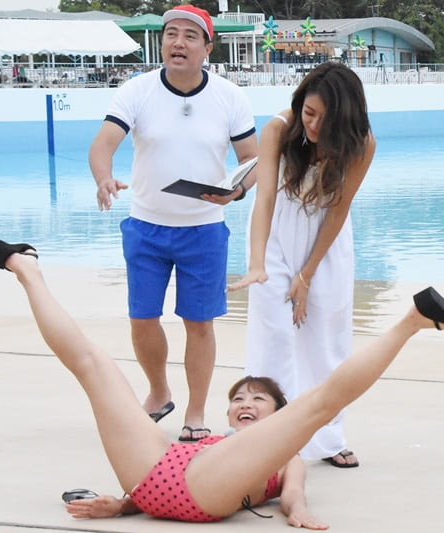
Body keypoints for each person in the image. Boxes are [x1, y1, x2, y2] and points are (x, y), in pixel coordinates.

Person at [0, 239, 444, 527]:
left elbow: (294, 492)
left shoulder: (285, 455)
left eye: (259, 398)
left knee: (320, 404)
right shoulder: (217, 442)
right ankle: (26, 269)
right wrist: (124, 506)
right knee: (93, 364)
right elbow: (168, 471)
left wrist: (296, 512)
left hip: (202, 492)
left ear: (279, 416)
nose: (246, 403)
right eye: (239, 398)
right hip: (153, 474)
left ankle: (412, 320)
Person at [88, 5, 258, 442]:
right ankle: (159, 391)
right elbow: (103, 145)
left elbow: (252, 160)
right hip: (146, 226)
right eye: (170, 34)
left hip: (204, 229)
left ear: (207, 47)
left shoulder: (229, 97)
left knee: (199, 323)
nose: (177, 43)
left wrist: (237, 191)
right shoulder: (136, 90)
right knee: (142, 318)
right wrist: (104, 177)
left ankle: (195, 412)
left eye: (189, 36)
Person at [229, 62, 375, 467]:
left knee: (325, 339)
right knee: (273, 335)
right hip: (277, 235)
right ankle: (264, 436)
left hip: (326, 242)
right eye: (308, 113)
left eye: (324, 120)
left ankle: (328, 437)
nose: (313, 125)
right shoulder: (279, 130)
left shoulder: (362, 143)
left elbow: (338, 210)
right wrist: (258, 263)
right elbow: (265, 201)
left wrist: (307, 275)